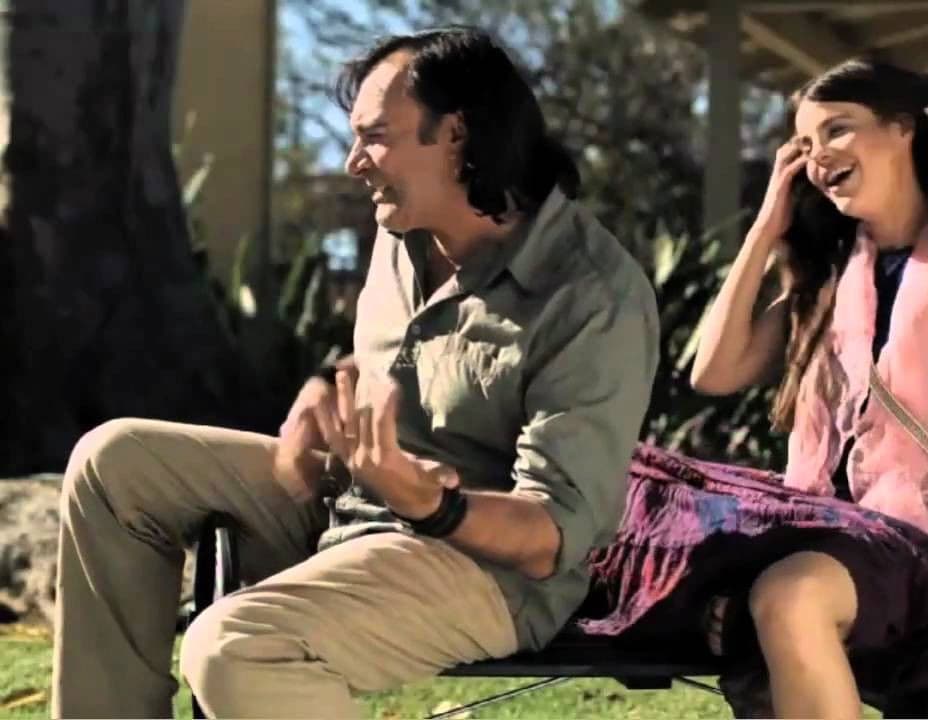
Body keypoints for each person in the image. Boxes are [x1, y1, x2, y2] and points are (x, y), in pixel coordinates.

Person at [52, 26, 659, 718]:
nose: (352, 163)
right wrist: (325, 385)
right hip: (352, 507)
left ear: (456, 135)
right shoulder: (403, 233)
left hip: (485, 571)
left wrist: (433, 506)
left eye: (375, 137)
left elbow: (551, 536)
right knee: (115, 463)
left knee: (235, 647)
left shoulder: (591, 296)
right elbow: (414, 354)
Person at [579, 59, 928, 719]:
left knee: (791, 595)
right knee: (634, 482)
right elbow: (712, 371)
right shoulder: (829, 283)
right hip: (808, 527)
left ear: (904, 130)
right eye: (805, 144)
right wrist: (765, 228)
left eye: (838, 129)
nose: (818, 155)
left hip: (905, 546)